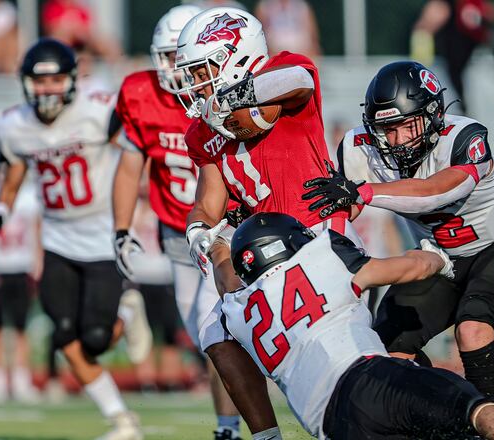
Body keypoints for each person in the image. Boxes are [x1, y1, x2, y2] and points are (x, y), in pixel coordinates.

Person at [213, 211, 494, 440]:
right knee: (470, 407)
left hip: (329, 426)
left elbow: (223, 352)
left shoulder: (233, 314)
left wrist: (267, 435)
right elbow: (408, 268)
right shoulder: (319, 256)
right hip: (366, 377)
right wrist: (439, 259)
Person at [173, 7, 361, 439]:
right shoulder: (202, 132)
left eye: (203, 70)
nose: (196, 83)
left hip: (317, 238)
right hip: (268, 254)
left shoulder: (284, 71)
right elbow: (209, 199)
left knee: (332, 367)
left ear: (234, 55)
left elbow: (299, 82)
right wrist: (199, 230)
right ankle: (265, 436)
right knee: (216, 333)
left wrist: (234, 98)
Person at [303, 60, 494, 405]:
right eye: (388, 130)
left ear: (433, 115)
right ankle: (437, 418)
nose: (398, 140)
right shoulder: (359, 148)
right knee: (387, 348)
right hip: (438, 257)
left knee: (472, 330)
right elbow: (341, 214)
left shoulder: (465, 138)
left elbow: (434, 191)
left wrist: (365, 192)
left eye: (407, 126)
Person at [111, 6, 279, 439]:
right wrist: (122, 228)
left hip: (223, 230)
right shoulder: (141, 95)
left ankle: (232, 427)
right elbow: (129, 166)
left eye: (182, 59)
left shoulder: (231, 99)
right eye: (167, 58)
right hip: (176, 230)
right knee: (203, 334)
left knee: (218, 327)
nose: (176, 71)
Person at [0, 38, 149, 439]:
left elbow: (133, 152)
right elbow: (13, 173)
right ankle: (121, 420)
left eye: (56, 80)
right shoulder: (13, 124)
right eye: (40, 82)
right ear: (26, 83)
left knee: (94, 341)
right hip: (58, 238)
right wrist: (1, 211)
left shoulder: (97, 110)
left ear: (72, 80)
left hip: (100, 234)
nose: (47, 90)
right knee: (64, 336)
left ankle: (128, 311)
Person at [0, 177, 41, 404]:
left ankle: (21, 380)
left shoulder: (29, 195)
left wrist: (37, 264)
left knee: (21, 328)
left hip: (22, 268)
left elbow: (36, 232)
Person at [411, 0, 494, 114]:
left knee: (454, 74)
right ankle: (461, 107)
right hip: (453, 50)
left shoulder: (470, 5)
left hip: (463, 48)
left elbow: (490, 13)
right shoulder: (450, 6)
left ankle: (462, 107)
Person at [255, 0, 321, 59]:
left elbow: (312, 32)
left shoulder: (302, 6)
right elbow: (260, 31)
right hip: (275, 49)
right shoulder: (265, 6)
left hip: (302, 49)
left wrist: (314, 47)